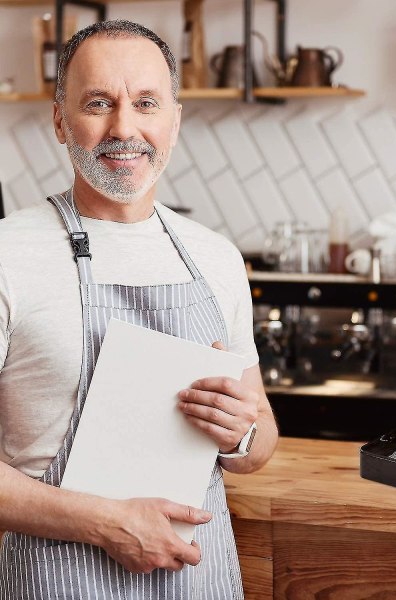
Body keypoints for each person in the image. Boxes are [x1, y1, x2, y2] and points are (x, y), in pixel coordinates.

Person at [0, 19, 278, 599]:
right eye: (98, 103)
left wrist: (240, 436)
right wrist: (106, 523)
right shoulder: (8, 254)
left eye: (146, 103)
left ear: (174, 121)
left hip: (199, 578)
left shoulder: (215, 258)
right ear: (59, 119)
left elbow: (261, 441)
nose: (124, 128)